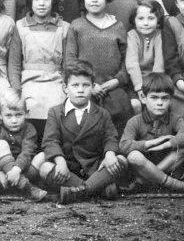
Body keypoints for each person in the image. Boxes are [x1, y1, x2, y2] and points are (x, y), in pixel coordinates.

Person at [39, 59, 127, 204]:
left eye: (85, 85)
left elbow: (110, 138)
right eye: (75, 85)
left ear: (92, 87)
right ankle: (98, 189)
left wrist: (110, 154)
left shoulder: (102, 113)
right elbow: (50, 141)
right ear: (65, 88)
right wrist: (60, 162)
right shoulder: (55, 112)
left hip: (95, 168)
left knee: (121, 160)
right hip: (69, 169)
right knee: (45, 168)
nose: (80, 90)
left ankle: (79, 192)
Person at [64, 0, 131, 133]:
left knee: (120, 113)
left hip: (113, 88)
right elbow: (70, 61)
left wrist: (116, 81)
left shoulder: (118, 27)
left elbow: (126, 62)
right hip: (85, 87)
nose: (94, 0)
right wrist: (89, 85)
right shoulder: (77, 26)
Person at [8, 0, 70, 140]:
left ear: (53, 0)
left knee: (58, 107)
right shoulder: (20, 26)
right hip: (28, 82)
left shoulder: (64, 28)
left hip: (55, 81)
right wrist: (17, 89)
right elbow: (14, 65)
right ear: (30, 1)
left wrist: (66, 86)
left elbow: (68, 64)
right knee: (27, 106)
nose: (41, 3)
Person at [120, 73, 184, 193]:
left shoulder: (174, 118)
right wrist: (149, 143)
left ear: (171, 100)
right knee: (133, 156)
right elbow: (124, 145)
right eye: (154, 98)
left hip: (165, 163)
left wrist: (168, 143)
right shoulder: (135, 121)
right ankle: (174, 184)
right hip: (143, 165)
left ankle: (146, 181)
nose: (159, 103)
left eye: (164, 98)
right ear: (143, 98)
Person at [0, 89, 47, 201]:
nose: (14, 120)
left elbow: (27, 152)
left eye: (18, 115)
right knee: (0, 145)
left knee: (42, 156)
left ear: (26, 113)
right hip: (1, 170)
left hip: (22, 169)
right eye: (8, 116)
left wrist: (16, 170)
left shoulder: (29, 129)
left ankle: (1, 188)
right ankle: (26, 187)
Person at [125, 0, 166, 115]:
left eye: (151, 18)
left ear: (158, 21)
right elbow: (132, 64)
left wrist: (153, 87)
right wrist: (139, 88)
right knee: (135, 104)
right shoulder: (132, 35)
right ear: (134, 20)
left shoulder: (160, 35)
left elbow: (159, 63)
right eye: (141, 19)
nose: (146, 23)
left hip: (156, 81)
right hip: (135, 81)